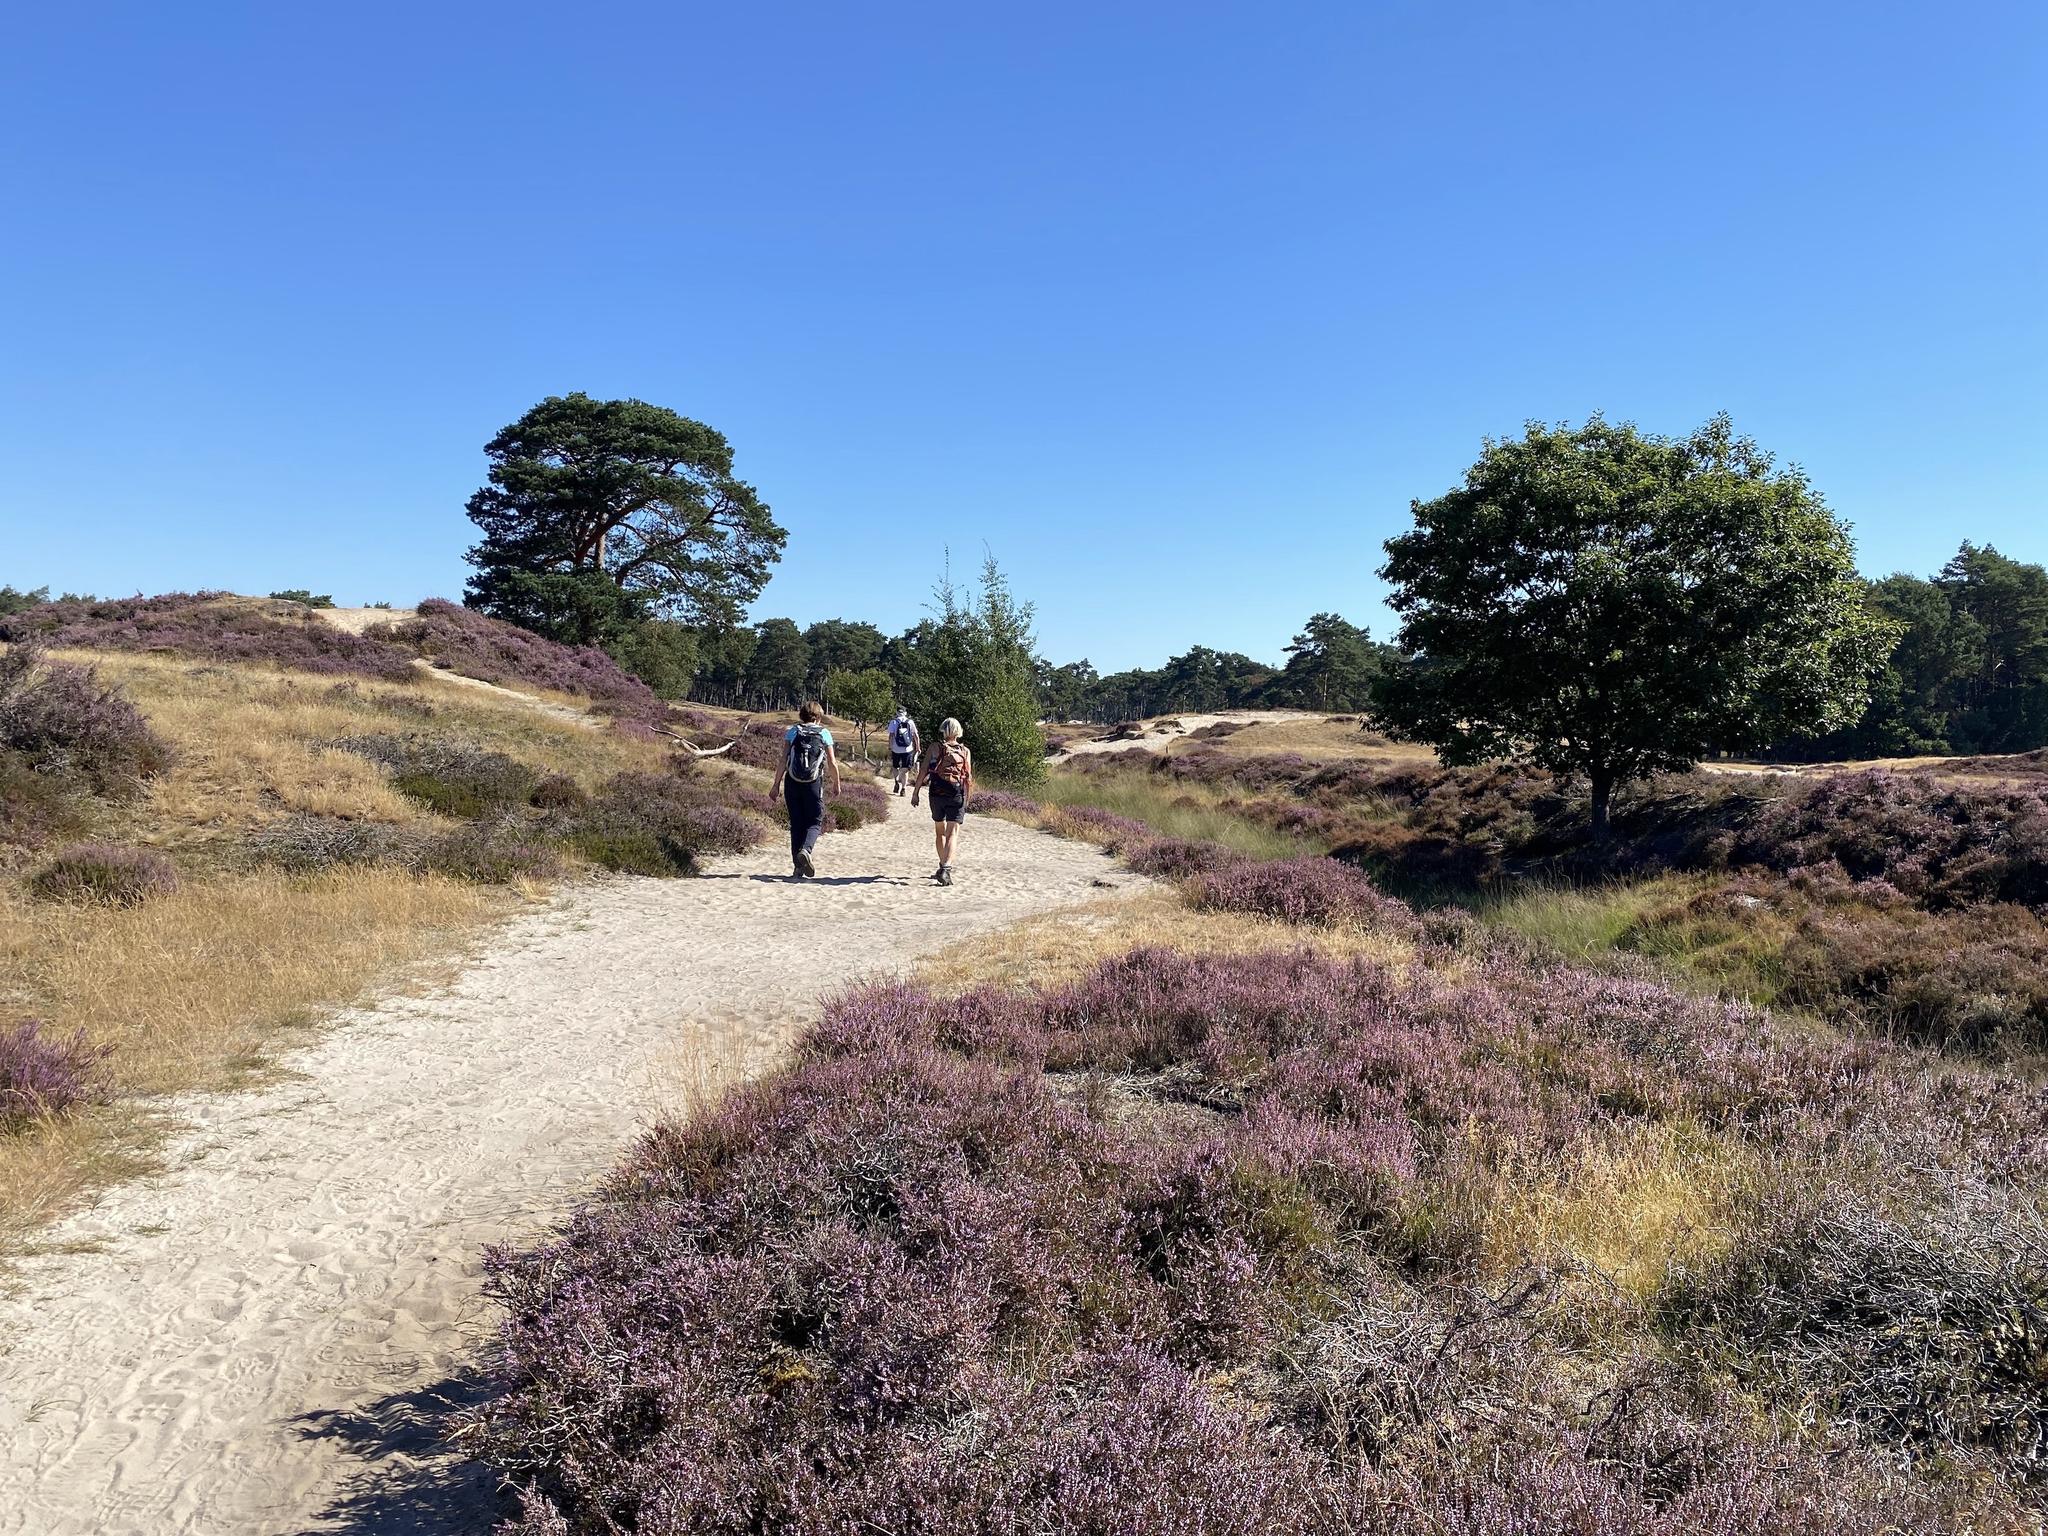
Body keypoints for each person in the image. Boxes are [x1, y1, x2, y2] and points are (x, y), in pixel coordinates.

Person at [768, 701, 842, 879]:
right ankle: (806, 851)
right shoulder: (824, 733)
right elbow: (832, 762)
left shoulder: (793, 732)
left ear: (802, 715)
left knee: (796, 824)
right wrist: (836, 783)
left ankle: (797, 867)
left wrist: (776, 784)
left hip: (792, 782)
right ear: (819, 716)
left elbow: (783, 759)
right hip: (813, 783)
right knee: (815, 821)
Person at [910, 717, 972, 885]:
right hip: (956, 793)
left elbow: (923, 770)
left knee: (940, 831)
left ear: (943, 730)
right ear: (958, 731)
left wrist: (915, 793)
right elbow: (968, 777)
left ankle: (942, 865)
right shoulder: (965, 751)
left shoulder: (934, 747)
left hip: (936, 792)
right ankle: (945, 869)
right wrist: (967, 798)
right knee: (953, 833)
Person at [887, 708, 920, 796]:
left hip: (896, 749)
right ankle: (903, 789)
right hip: (908, 749)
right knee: (905, 770)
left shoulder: (893, 722)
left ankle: (896, 781)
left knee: (895, 767)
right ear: (905, 713)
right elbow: (916, 735)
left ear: (897, 712)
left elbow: (891, 735)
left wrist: (890, 746)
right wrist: (918, 747)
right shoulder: (910, 722)